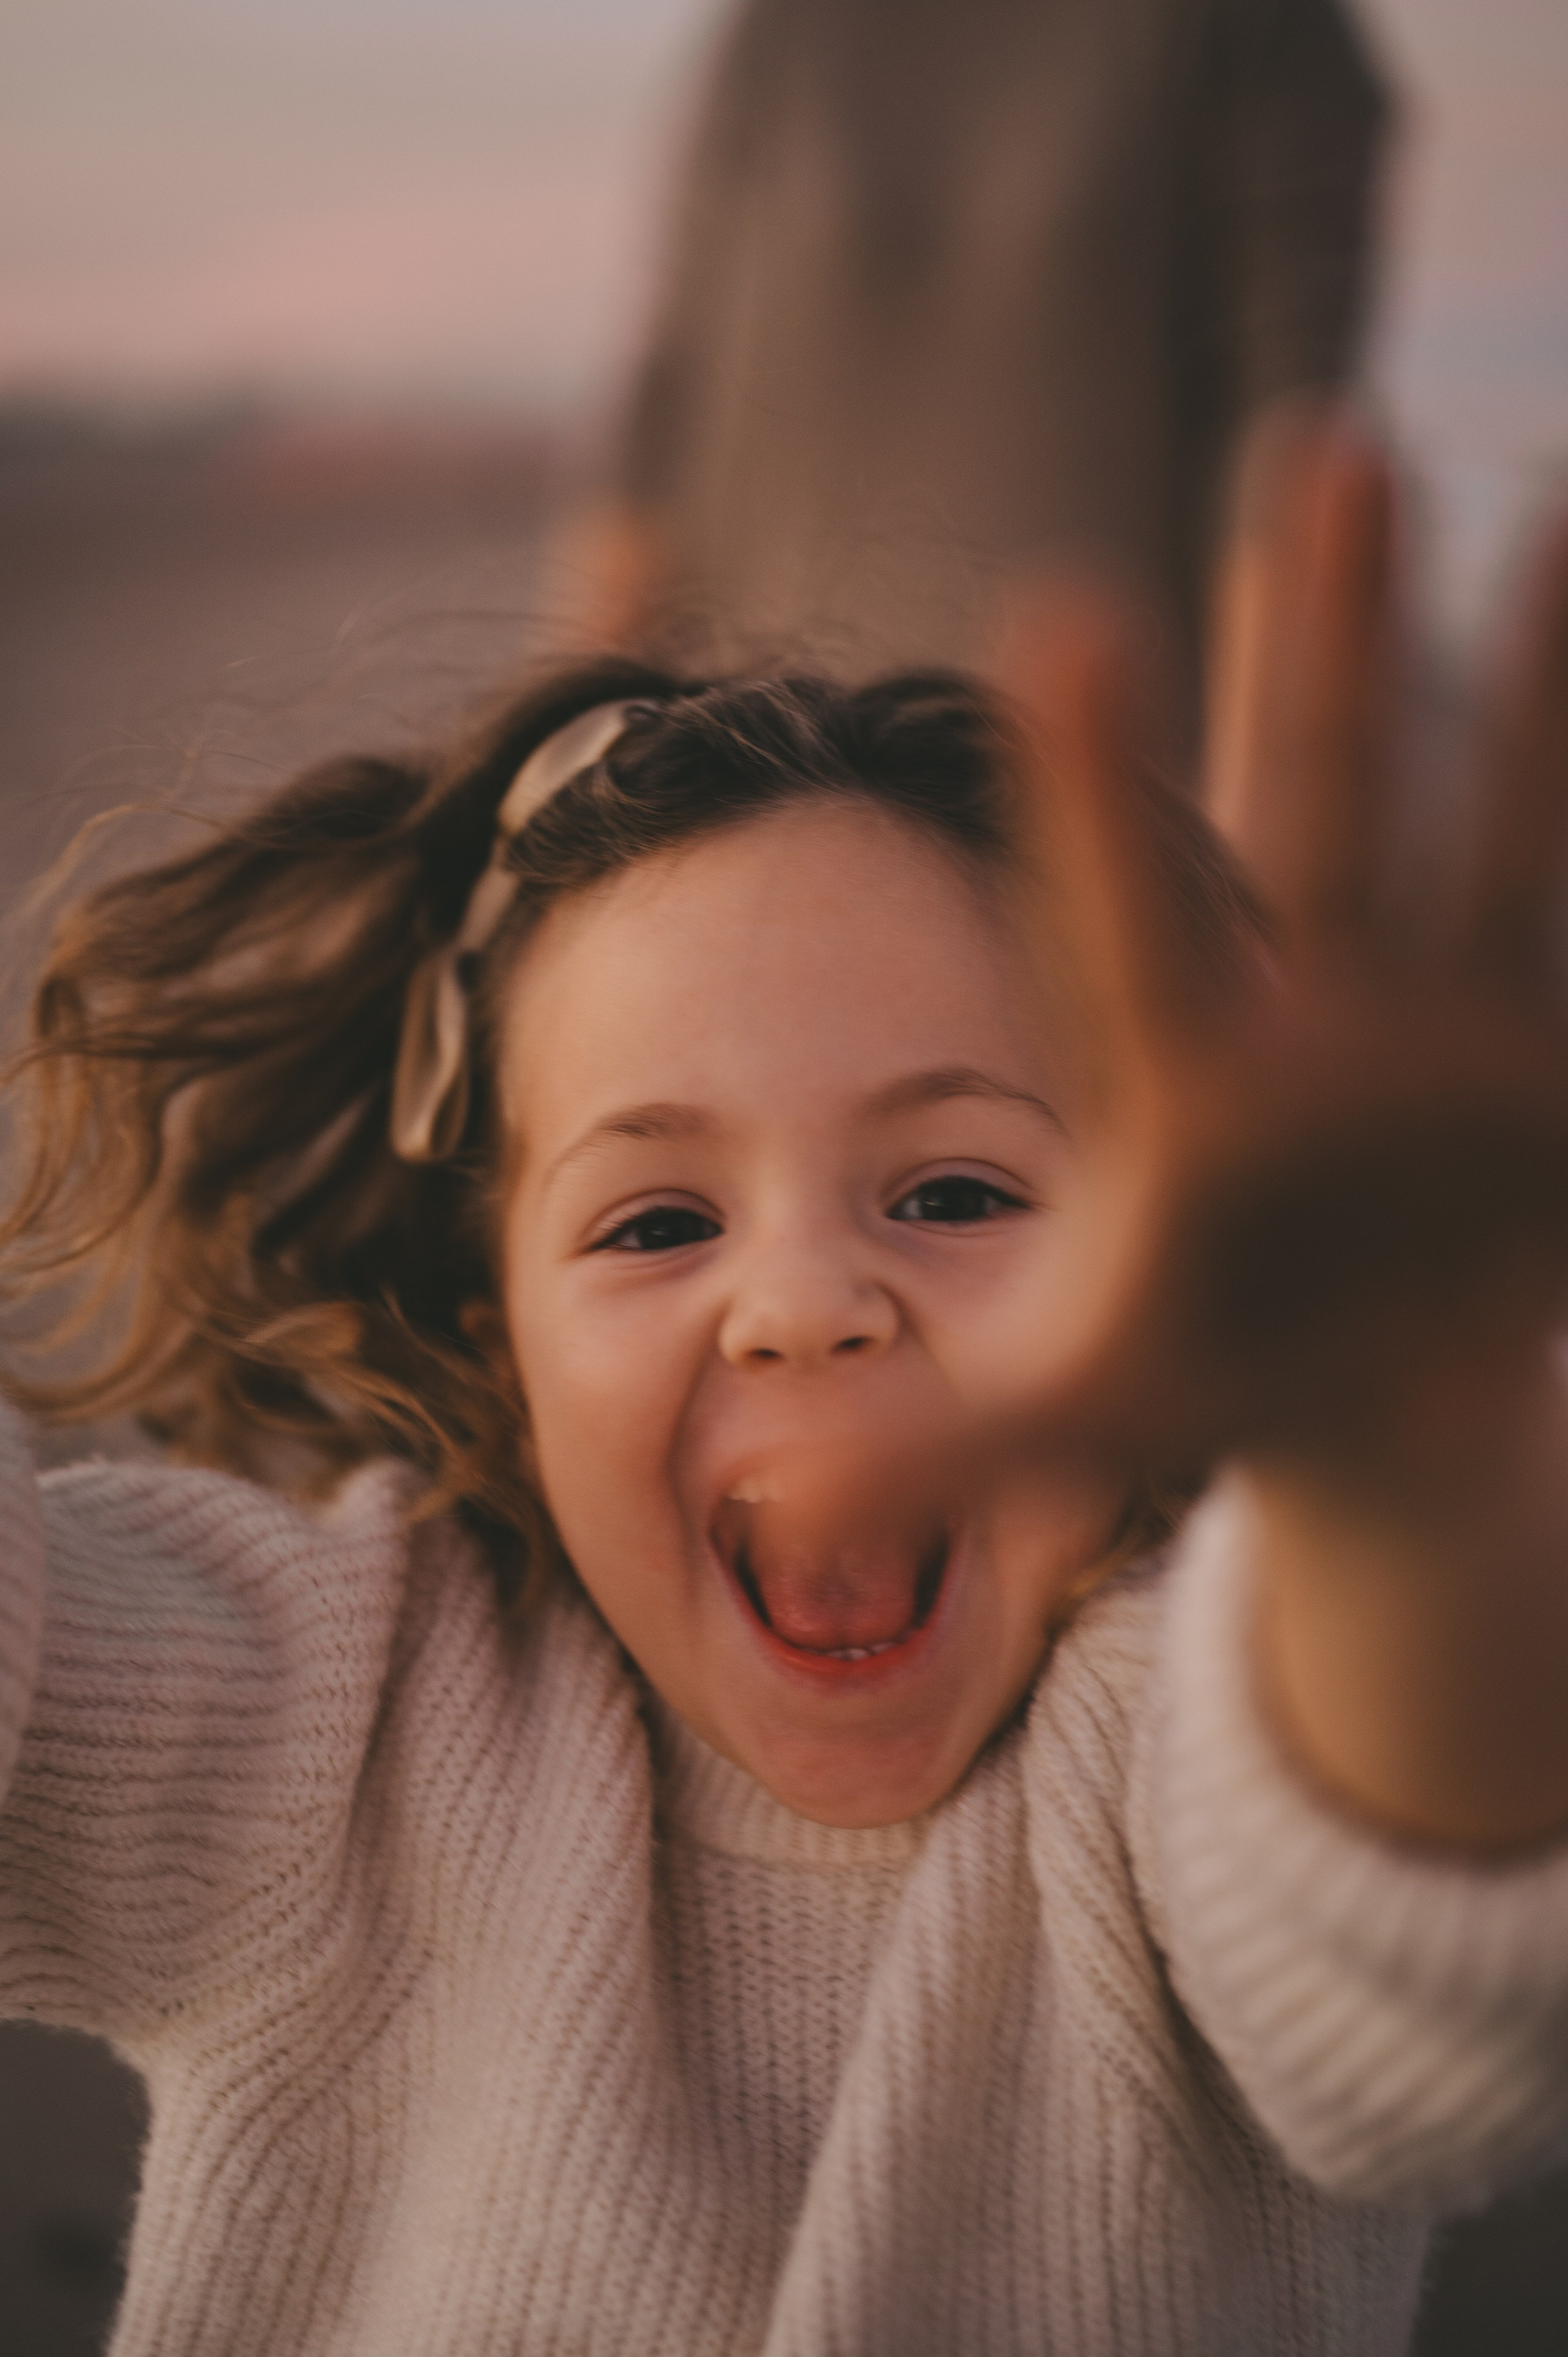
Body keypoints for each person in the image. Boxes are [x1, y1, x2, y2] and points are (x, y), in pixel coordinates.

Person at [2, 418, 1568, 2356]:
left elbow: (1441, 2003)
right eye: (657, 1221)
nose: (807, 1303)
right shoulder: (332, 1721)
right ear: (496, 1339)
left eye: (956, 1191)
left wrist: (1413, 1479)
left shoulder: (1189, 1738)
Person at [580, 0, 1390, 706]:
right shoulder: (786, 27)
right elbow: (659, 433)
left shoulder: (1256, 24)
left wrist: (1226, 825)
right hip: (747, 781)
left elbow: (1280, 470)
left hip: (1073, 791)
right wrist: (567, 778)